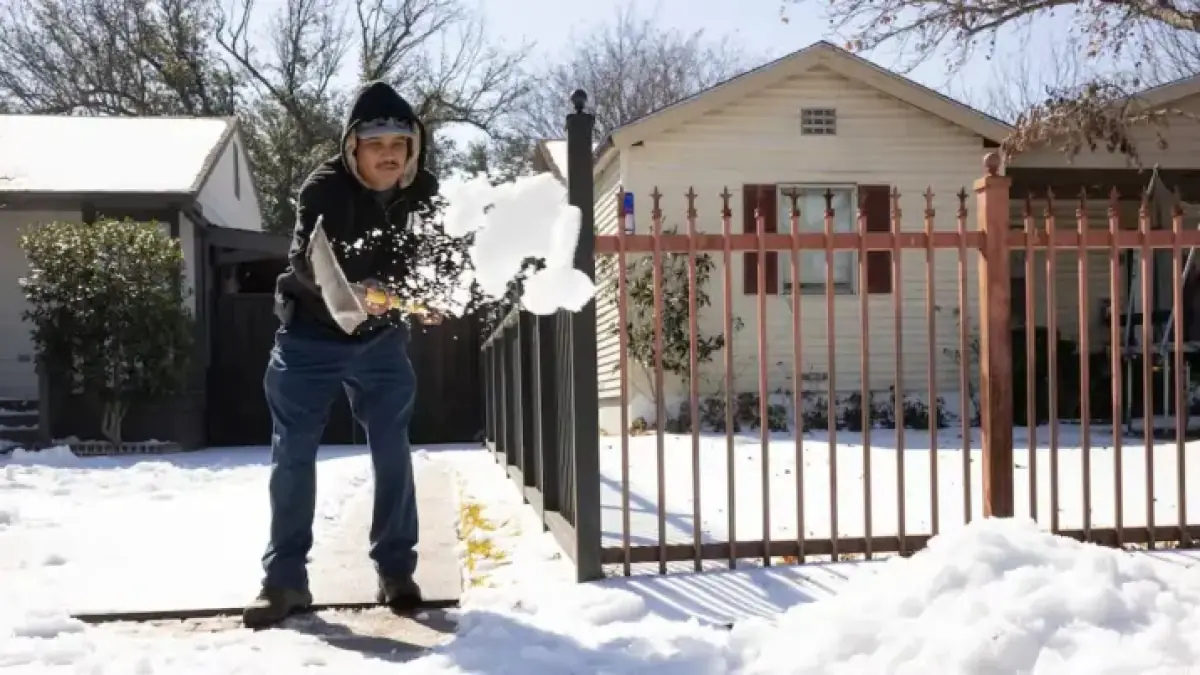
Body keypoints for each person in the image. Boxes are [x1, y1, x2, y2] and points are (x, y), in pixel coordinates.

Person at [243, 80, 440, 629]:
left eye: (399, 144)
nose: (388, 155)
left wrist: (435, 291)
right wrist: (356, 289)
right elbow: (309, 258)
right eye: (376, 144)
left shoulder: (424, 192)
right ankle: (284, 581)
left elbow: (438, 252)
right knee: (294, 451)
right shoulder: (323, 188)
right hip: (310, 334)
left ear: (413, 148)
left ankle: (396, 571)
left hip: (381, 340)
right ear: (353, 147)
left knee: (392, 446)